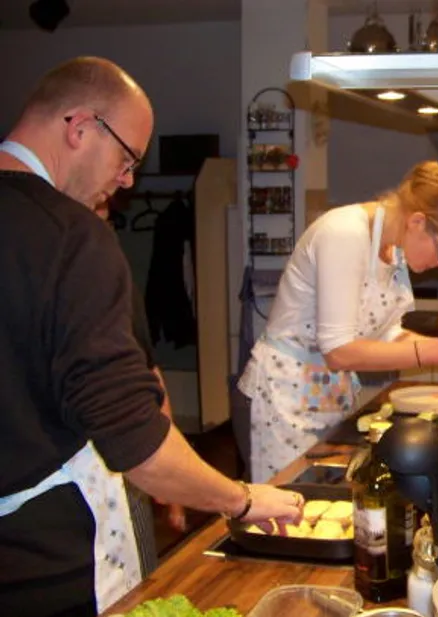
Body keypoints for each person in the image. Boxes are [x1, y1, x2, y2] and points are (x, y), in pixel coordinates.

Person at [0, 56, 303, 617]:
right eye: (126, 158)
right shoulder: (73, 237)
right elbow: (132, 439)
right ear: (79, 127)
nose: (128, 180)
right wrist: (240, 499)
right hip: (50, 563)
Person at [238, 161, 438, 482]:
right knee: (287, 512)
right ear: (417, 221)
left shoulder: (392, 249)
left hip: (328, 396)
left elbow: (386, 335)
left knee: (330, 507)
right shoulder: (344, 234)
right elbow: (339, 351)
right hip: (285, 399)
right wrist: (436, 352)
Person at [96, 198, 187, 577]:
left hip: (124, 465)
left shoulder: (112, 278)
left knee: (140, 584)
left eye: (104, 216)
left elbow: (150, 374)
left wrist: (175, 483)